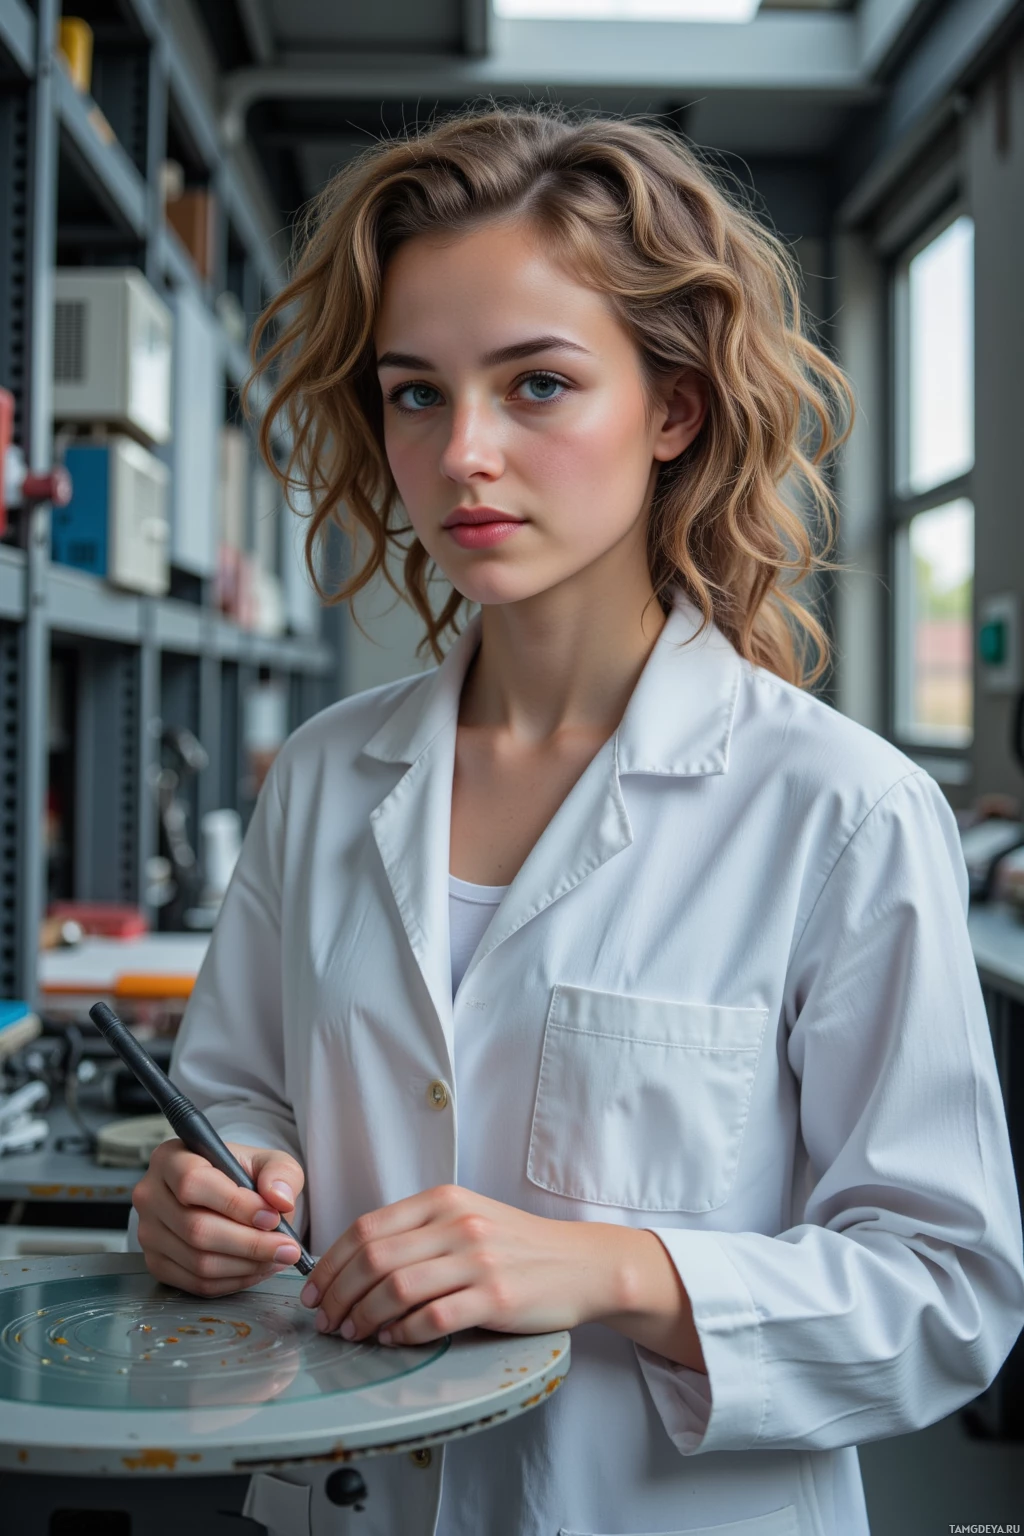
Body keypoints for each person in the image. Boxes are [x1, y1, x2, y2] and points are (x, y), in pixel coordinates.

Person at [131, 107, 1024, 1536]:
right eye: (415, 393)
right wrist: (208, 1192)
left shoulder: (841, 811)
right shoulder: (325, 774)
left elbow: (949, 1295)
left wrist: (614, 1270)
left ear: (674, 410)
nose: (463, 452)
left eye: (537, 384)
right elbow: (242, 1096)